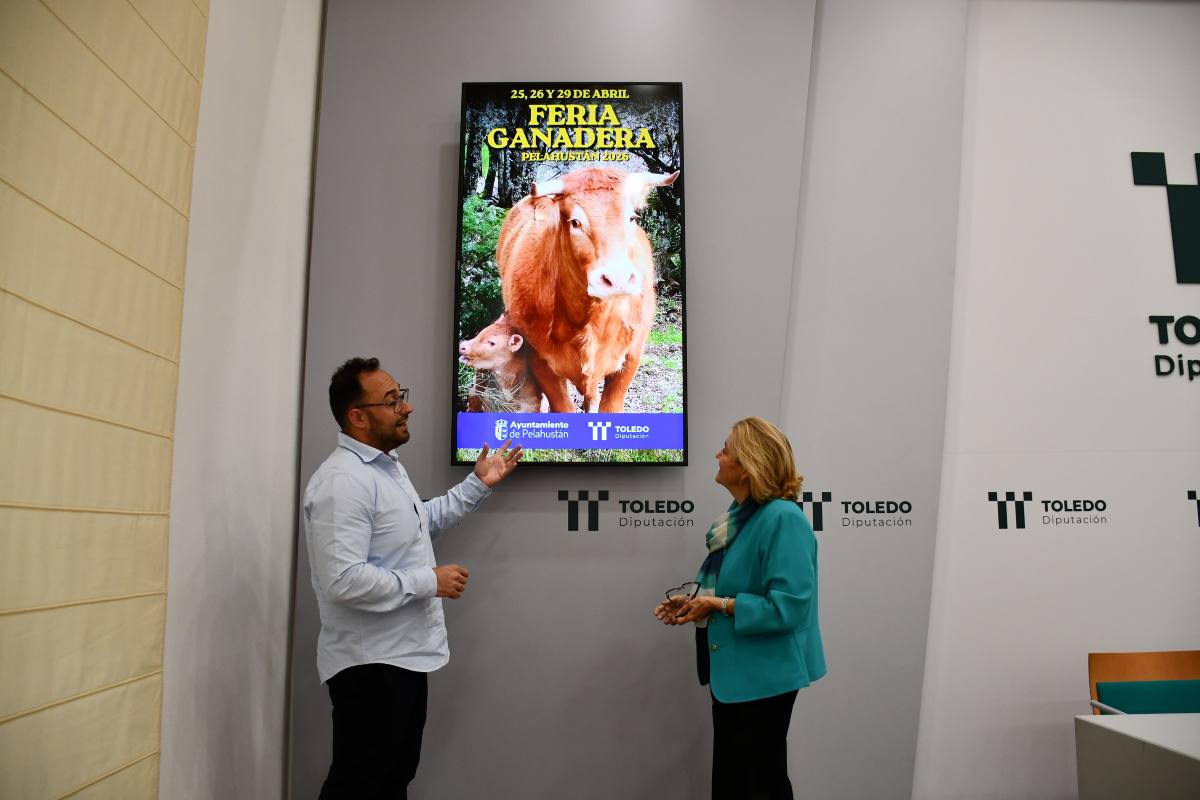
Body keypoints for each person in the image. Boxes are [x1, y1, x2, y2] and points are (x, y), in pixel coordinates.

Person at [304, 357, 521, 799]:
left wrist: (478, 484)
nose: (407, 407)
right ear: (358, 417)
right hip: (370, 668)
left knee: (390, 782)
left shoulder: (384, 467)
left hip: (399, 660)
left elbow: (419, 522)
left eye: (401, 395)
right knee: (359, 786)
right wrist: (429, 581)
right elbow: (342, 581)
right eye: (391, 401)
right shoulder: (343, 482)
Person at [653, 417, 825, 800]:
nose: (718, 455)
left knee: (758, 784)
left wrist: (719, 603)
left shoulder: (783, 520)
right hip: (736, 677)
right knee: (735, 784)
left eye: (726, 449)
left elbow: (789, 608)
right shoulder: (741, 518)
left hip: (763, 679)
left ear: (748, 466)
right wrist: (699, 603)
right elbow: (735, 587)